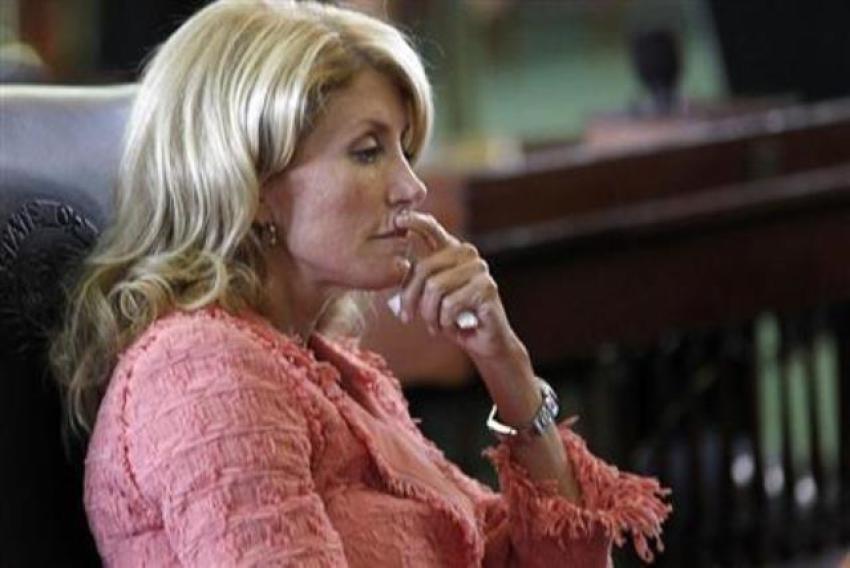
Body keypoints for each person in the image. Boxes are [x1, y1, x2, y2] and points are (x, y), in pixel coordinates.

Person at [50, 1, 671, 566]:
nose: (412, 188)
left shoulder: (340, 372)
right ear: (253, 185)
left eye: (403, 148)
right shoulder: (203, 373)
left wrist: (505, 364)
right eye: (369, 152)